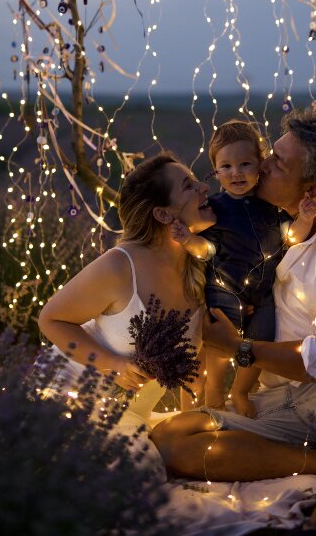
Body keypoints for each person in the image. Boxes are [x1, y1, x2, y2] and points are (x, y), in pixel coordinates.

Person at [151, 110, 316, 518]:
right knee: (168, 432)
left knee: (171, 445)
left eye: (278, 163)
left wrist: (239, 347)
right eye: (270, 153)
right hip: (265, 389)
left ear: (310, 187)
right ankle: (293, 453)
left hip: (313, 398)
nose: (263, 165)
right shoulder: (271, 216)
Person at [35, 152, 217, 441]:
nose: (204, 188)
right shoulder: (121, 265)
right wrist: (114, 364)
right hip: (68, 403)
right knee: (136, 473)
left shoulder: (199, 269)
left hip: (130, 417)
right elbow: (51, 319)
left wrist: (191, 421)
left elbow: (194, 363)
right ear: (163, 214)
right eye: (188, 185)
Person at [170, 120, 316, 417]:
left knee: (260, 341)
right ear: (215, 170)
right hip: (224, 289)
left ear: (260, 164)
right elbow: (207, 251)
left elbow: (292, 239)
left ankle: (240, 392)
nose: (236, 173)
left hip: (263, 293)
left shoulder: (271, 206)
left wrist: (304, 218)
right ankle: (213, 397)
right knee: (219, 348)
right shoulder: (215, 208)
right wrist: (188, 241)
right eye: (226, 167)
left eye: (245, 164)